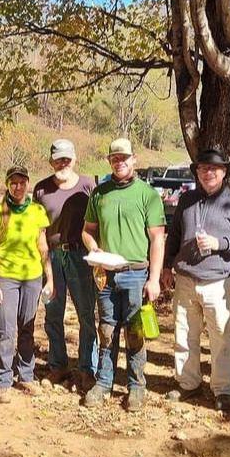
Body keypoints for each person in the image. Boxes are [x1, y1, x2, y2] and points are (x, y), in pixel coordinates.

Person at [161, 149, 230, 413]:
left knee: (221, 338)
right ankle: (188, 383)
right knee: (184, 333)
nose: (208, 173)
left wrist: (220, 243)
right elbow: (175, 234)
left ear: (224, 172)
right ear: (197, 173)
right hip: (186, 279)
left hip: (218, 281)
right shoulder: (187, 200)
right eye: (203, 169)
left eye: (214, 169)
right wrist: (168, 266)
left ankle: (223, 390)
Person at [81, 138, 166, 412]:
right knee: (107, 330)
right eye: (115, 158)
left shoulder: (147, 195)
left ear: (134, 159)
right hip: (105, 274)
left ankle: (136, 386)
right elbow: (88, 230)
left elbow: (157, 239)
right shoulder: (100, 193)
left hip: (135, 274)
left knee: (135, 332)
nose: (120, 162)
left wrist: (153, 279)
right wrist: (94, 248)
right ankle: (103, 383)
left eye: (124, 158)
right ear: (109, 161)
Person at [33, 139, 98, 388]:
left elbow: (97, 223)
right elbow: (38, 229)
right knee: (52, 313)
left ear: (75, 159)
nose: (63, 163)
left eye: (67, 159)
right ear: (51, 161)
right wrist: (43, 260)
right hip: (51, 257)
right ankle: (57, 366)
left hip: (81, 256)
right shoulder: (41, 189)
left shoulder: (88, 186)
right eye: (59, 159)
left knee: (85, 313)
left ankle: (86, 368)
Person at [0, 166, 54, 404]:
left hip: (32, 277)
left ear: (28, 184)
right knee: (6, 330)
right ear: (7, 184)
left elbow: (43, 246)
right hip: (6, 277)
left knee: (27, 326)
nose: (18, 187)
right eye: (13, 183)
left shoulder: (37, 211)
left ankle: (26, 374)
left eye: (22, 182)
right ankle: (3, 380)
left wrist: (50, 277)